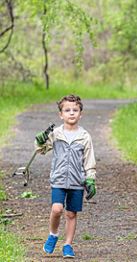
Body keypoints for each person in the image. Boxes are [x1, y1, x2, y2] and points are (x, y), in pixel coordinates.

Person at [35, 94, 96, 259]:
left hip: (77, 182)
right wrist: (40, 141)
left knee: (71, 214)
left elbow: (89, 160)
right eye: (67, 110)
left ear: (80, 114)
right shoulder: (55, 134)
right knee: (57, 209)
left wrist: (90, 178)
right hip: (59, 180)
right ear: (60, 114)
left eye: (75, 110)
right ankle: (53, 234)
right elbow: (40, 150)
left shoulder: (85, 137)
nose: (71, 113)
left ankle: (68, 244)